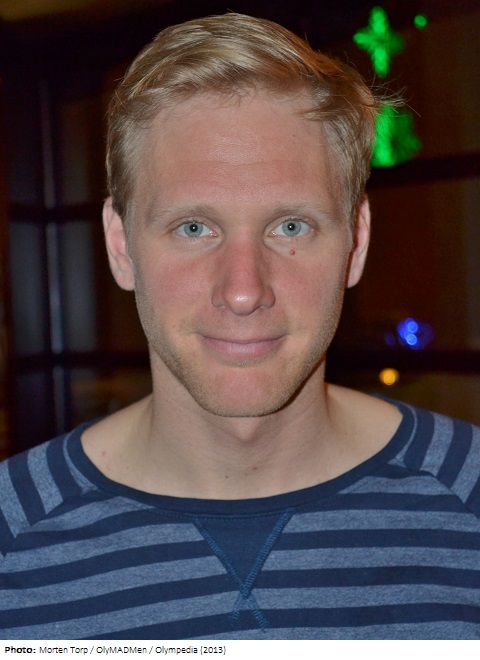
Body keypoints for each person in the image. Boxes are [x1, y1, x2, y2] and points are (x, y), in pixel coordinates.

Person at [1, 12, 480, 641]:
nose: (244, 290)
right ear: (120, 246)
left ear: (356, 241)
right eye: (194, 228)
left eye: (290, 226)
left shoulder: (470, 498)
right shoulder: (11, 535)